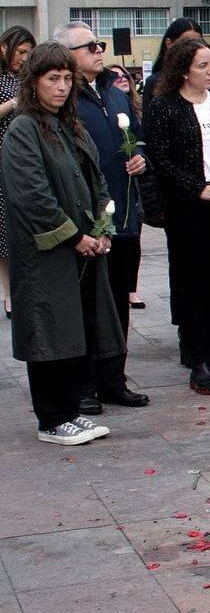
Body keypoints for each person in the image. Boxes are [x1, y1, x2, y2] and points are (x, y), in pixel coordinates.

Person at [1, 42, 121, 445]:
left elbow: (97, 180)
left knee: (76, 329)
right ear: (32, 82)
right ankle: (51, 419)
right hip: (45, 253)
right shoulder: (24, 128)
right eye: (53, 79)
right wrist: (75, 236)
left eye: (68, 79)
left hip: (81, 248)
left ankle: (69, 411)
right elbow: (32, 196)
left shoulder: (70, 125)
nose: (62, 87)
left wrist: (102, 230)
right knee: (49, 332)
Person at [55, 21, 151, 410]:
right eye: (89, 45)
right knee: (88, 302)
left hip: (123, 213)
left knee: (117, 301)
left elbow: (138, 134)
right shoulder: (65, 99)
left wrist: (141, 157)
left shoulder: (114, 92)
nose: (99, 49)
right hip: (86, 218)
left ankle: (114, 378)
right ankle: (84, 385)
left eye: (100, 43)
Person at [145, 39, 210, 395]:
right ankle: (198, 358)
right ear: (184, 70)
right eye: (203, 66)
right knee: (193, 283)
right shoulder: (165, 106)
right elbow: (162, 159)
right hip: (189, 209)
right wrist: (196, 187)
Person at [0, 25, 36, 319]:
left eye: (29, 53)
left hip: (25, 157)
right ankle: (8, 294)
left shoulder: (27, 79)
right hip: (2, 156)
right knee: (3, 229)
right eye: (21, 52)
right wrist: (12, 103)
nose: (25, 58)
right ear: (4, 48)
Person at [107, 63, 148, 313]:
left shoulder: (132, 104)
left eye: (124, 75)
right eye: (116, 76)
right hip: (112, 186)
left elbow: (141, 138)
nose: (121, 79)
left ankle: (130, 289)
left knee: (133, 239)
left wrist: (140, 156)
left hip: (133, 188)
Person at [141, 18, 203, 109]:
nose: (193, 48)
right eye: (187, 43)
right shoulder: (154, 83)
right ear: (169, 43)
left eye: (198, 43)